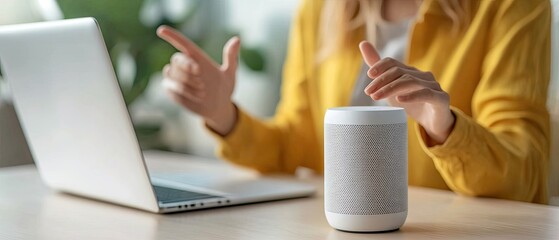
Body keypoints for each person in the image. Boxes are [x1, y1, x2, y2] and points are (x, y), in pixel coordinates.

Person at [156, 0, 552, 203]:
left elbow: (525, 171)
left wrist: (443, 125)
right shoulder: (321, 9)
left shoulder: (511, 6)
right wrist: (223, 114)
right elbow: (296, 143)